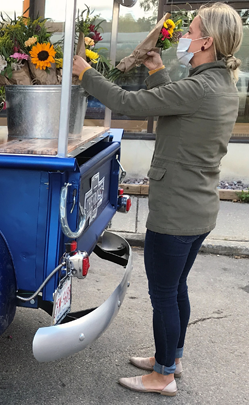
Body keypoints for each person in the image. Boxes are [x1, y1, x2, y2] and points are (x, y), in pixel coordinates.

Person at [72, 3, 242, 397]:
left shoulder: (200, 87)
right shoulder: (217, 85)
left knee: (163, 293)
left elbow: (130, 104)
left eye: (191, 29)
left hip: (177, 211)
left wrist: (87, 74)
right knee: (176, 288)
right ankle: (172, 358)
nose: (185, 35)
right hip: (198, 208)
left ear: (206, 41)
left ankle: (162, 376)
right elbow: (172, 99)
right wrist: (155, 68)